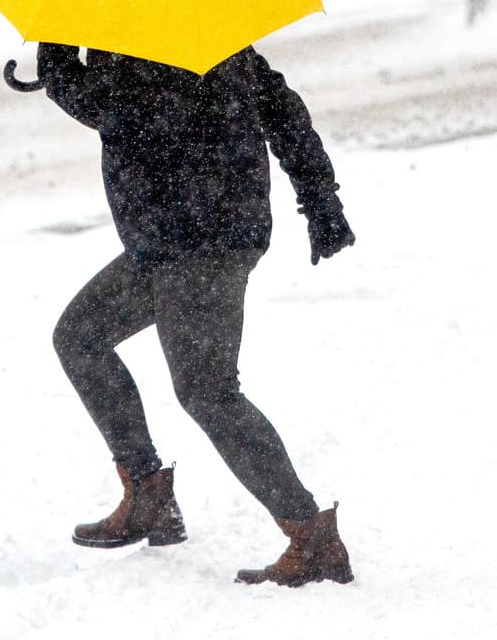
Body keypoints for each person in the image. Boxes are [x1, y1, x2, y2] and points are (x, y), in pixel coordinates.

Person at [32, 42, 357, 587]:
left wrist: (57, 60)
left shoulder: (145, 35)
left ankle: (311, 536)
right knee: (81, 336)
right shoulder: (205, 25)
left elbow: (111, 110)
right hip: (171, 239)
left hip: (201, 240)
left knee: (208, 391)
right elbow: (281, 105)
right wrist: (320, 197)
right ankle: (146, 494)